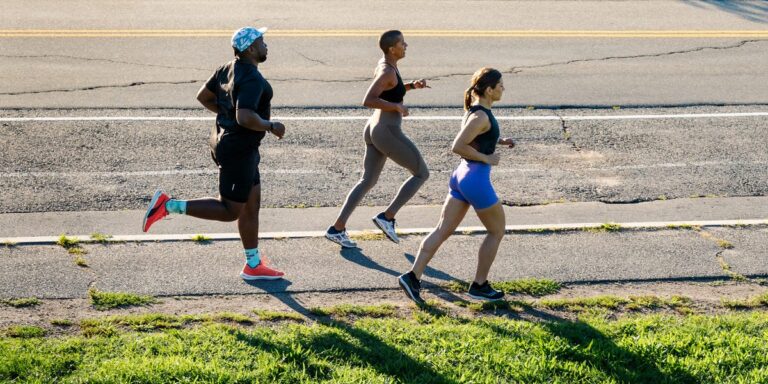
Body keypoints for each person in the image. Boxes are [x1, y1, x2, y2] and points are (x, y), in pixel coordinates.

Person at [142, 26, 286, 280]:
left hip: (235, 145)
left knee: (251, 205)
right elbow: (245, 116)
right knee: (230, 210)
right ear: (250, 48)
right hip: (238, 149)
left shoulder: (227, 68)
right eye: (262, 42)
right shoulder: (251, 77)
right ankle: (168, 206)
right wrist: (270, 126)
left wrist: (226, 115)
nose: (266, 46)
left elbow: (204, 96)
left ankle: (253, 264)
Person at [397, 68, 515, 304]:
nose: (504, 88)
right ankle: (479, 286)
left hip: (461, 176)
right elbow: (458, 145)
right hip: (475, 178)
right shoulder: (481, 116)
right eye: (500, 85)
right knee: (496, 231)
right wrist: (487, 158)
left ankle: (412, 277)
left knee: (442, 230)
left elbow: (474, 137)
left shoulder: (476, 111)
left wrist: (498, 141)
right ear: (489, 90)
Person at [325, 30, 430, 248]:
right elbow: (368, 99)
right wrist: (397, 107)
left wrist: (411, 86)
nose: (406, 45)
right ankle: (387, 217)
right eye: (402, 43)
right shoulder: (387, 72)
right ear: (392, 48)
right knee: (421, 173)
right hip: (386, 131)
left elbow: (390, 91)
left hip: (375, 127)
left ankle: (337, 229)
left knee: (368, 181)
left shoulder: (387, 65)